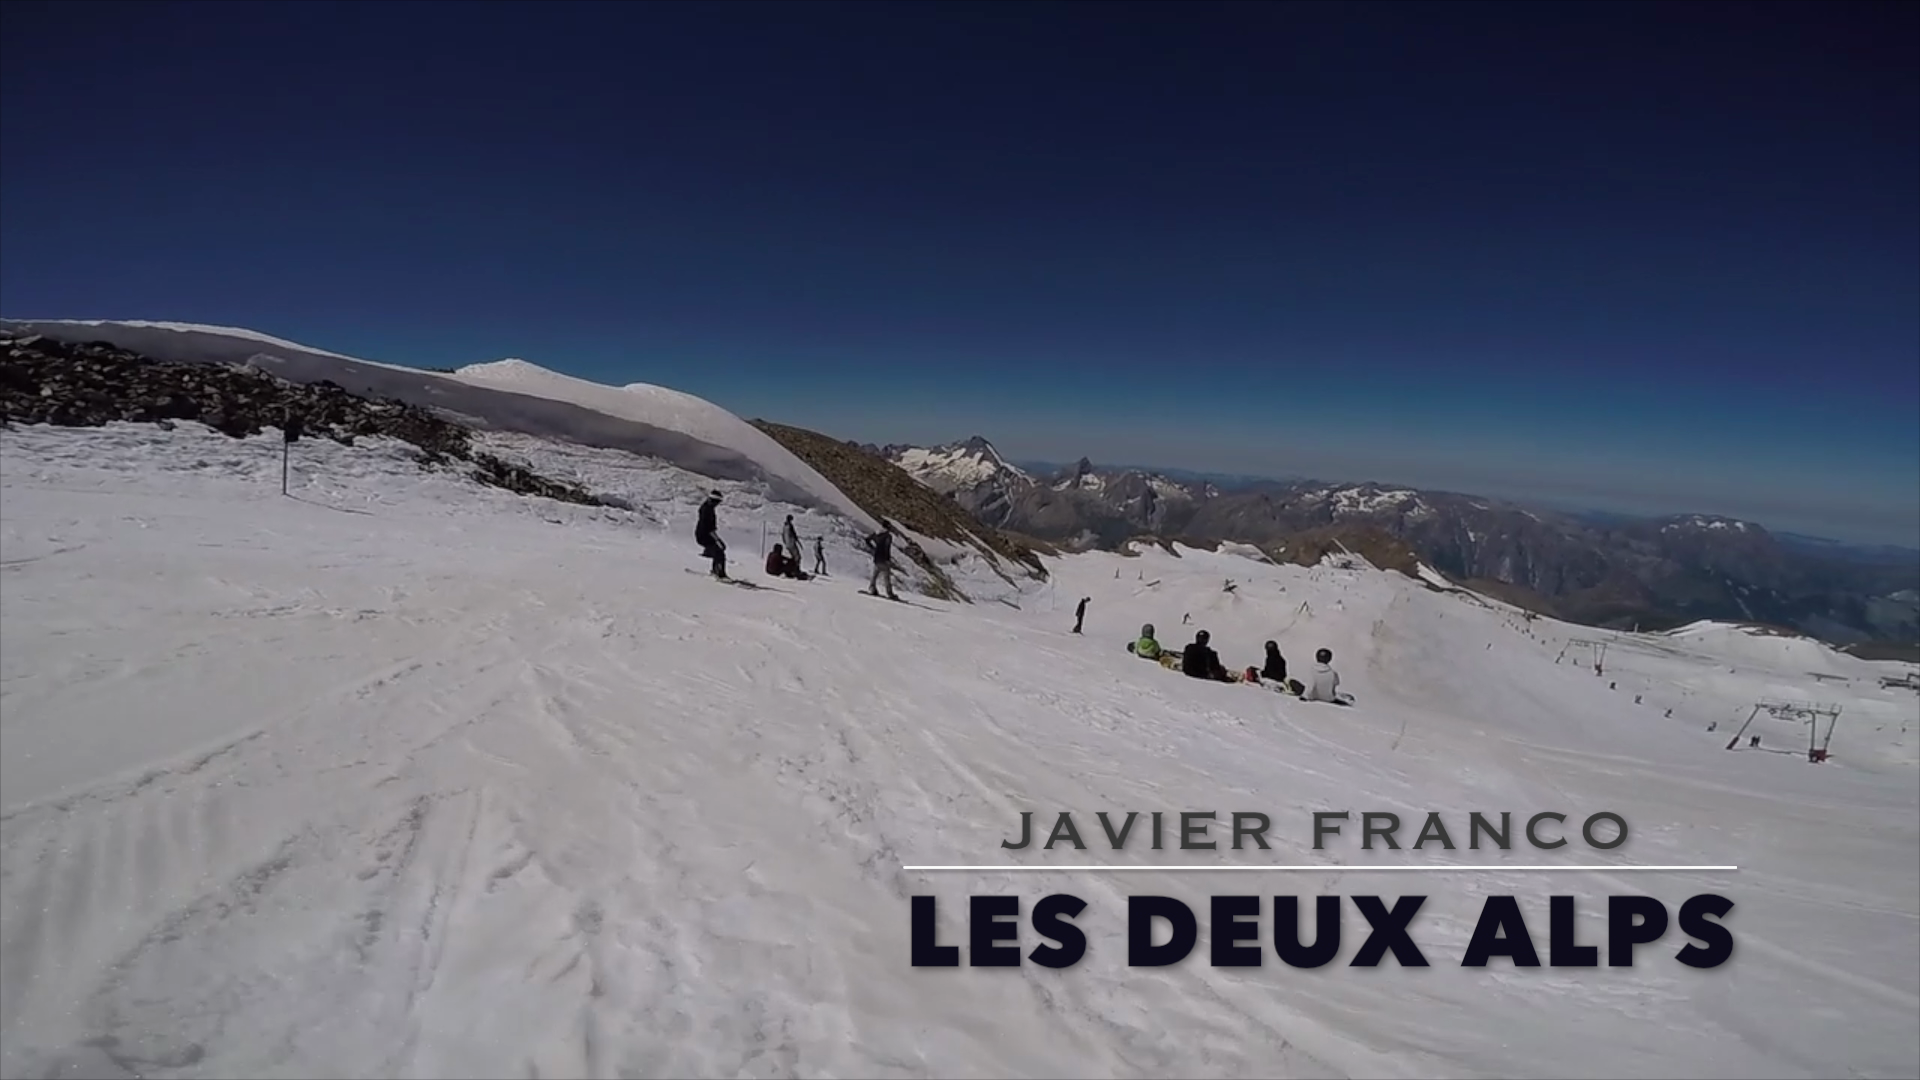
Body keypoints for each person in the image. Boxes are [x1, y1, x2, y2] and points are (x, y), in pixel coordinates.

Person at [695, 489, 727, 579]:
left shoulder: (707, 508)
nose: (718, 504)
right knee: (719, 552)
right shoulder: (707, 510)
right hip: (704, 536)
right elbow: (709, 528)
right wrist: (717, 540)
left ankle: (716, 571)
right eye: (717, 502)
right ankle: (719, 573)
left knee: (719, 550)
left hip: (704, 535)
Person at [864, 519, 899, 600]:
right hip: (884, 559)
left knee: (875, 575)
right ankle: (889, 593)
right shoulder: (888, 536)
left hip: (877, 557)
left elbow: (867, 540)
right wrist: (887, 559)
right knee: (886, 577)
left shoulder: (877, 533)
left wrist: (874, 548)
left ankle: (872, 588)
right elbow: (887, 548)